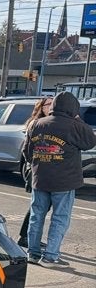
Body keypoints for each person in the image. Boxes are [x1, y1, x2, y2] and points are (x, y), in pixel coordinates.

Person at [25, 91, 96, 268]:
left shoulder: (36, 124)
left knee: (36, 216)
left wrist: (38, 163)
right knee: (60, 218)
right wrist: (78, 119)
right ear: (73, 108)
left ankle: (32, 253)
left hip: (40, 178)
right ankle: (50, 256)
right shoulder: (74, 125)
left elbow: (26, 151)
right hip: (64, 181)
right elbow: (90, 141)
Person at [17, 97, 52, 247]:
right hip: (38, 170)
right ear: (41, 107)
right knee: (38, 206)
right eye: (48, 104)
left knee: (43, 206)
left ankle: (30, 236)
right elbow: (26, 150)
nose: (51, 107)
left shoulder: (54, 123)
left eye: (53, 103)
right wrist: (34, 164)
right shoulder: (35, 124)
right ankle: (25, 237)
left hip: (50, 172)